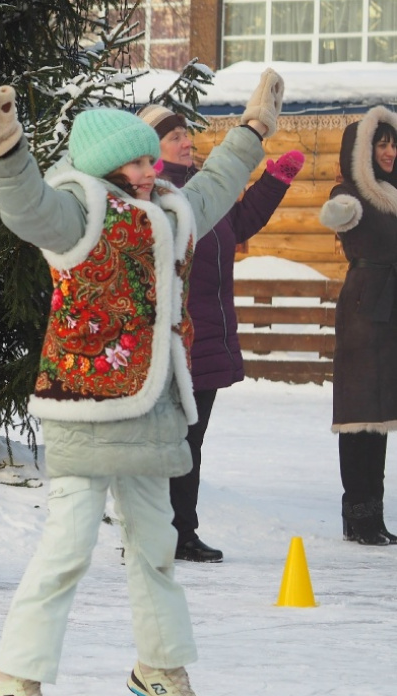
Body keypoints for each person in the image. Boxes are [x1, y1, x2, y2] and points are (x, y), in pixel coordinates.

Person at [0, 69, 282, 696]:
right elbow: (27, 208)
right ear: (104, 166)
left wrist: (253, 130)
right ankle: (14, 676)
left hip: (152, 406)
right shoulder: (78, 212)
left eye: (150, 160)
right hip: (84, 404)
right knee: (68, 550)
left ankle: (158, 667)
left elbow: (215, 185)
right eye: (134, 163)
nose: (149, 171)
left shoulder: (171, 214)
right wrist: (6, 152)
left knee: (157, 545)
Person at [138, 104, 304, 563]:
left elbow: (240, 223)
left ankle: (181, 532)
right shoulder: (155, 197)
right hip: (171, 341)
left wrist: (274, 183)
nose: (186, 141)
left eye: (187, 134)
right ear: (152, 149)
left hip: (207, 337)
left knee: (190, 441)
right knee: (167, 442)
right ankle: (155, 532)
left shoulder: (205, 189)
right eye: (174, 137)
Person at [317, 105, 397, 546]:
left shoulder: (395, 192)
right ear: (361, 151)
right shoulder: (351, 194)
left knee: (381, 415)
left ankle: (374, 517)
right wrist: (339, 209)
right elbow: (338, 213)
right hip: (366, 308)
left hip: (391, 311)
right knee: (359, 414)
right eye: (380, 144)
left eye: (392, 143)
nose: (389, 151)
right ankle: (358, 514)